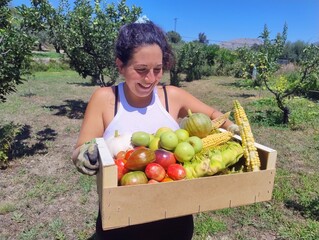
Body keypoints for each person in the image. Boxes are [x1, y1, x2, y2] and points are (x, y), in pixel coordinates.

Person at [72, 20, 239, 240]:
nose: (150, 79)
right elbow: (79, 150)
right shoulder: (105, 100)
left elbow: (215, 116)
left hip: (174, 219)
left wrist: (233, 128)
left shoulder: (173, 97)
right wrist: (87, 154)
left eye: (158, 69)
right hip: (122, 222)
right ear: (120, 65)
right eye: (141, 70)